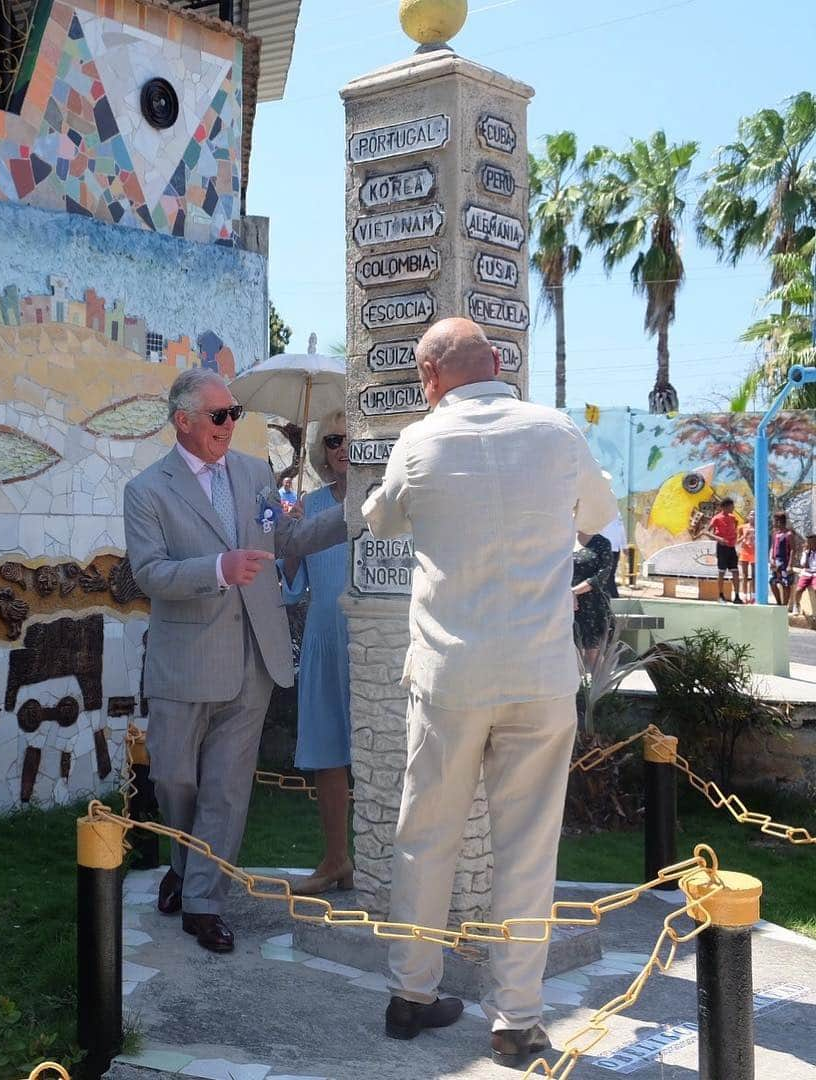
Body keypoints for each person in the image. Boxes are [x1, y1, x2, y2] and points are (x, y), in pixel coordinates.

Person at [362, 318, 615, 1065]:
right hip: (538, 673)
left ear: (434, 377)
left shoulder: (419, 440)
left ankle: (410, 993)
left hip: (450, 675)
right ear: (498, 363)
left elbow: (380, 521)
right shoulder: (557, 430)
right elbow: (596, 518)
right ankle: (516, 1018)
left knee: (425, 837)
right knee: (529, 850)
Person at [123, 368, 345, 955]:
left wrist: (356, 514)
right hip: (185, 664)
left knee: (226, 791)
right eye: (219, 416)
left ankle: (202, 902)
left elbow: (288, 539)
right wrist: (218, 570)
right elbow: (148, 573)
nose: (228, 426)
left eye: (233, 416)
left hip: (254, 659)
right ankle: (185, 864)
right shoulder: (146, 490)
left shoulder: (253, 477)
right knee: (175, 781)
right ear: (184, 421)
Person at [279, 411, 352, 895]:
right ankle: (335, 860)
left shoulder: (390, 503)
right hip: (326, 639)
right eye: (332, 440)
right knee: (329, 755)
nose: (343, 447)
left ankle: (385, 862)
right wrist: (291, 538)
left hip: (377, 642)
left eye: (351, 438)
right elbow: (291, 589)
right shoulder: (311, 505)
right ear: (322, 451)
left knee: (385, 755)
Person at [572, 531, 616, 669]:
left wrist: (573, 592)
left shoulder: (602, 543)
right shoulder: (564, 540)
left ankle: (598, 690)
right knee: (572, 656)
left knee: (593, 657)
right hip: (567, 605)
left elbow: (602, 575)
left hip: (593, 606)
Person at [707, 497, 742, 604]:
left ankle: (736, 596)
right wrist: (719, 539)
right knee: (721, 572)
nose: (733, 508)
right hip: (722, 548)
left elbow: (735, 527)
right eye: (732, 506)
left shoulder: (733, 517)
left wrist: (734, 537)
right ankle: (721, 596)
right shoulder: (717, 518)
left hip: (731, 548)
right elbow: (707, 532)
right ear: (725, 507)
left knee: (735, 572)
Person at [770, 512, 796, 609]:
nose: (774, 523)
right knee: (772, 582)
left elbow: (793, 549)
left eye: (775, 521)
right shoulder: (775, 533)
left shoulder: (788, 534)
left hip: (784, 562)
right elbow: (772, 547)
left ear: (780, 521)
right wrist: (771, 559)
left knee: (785, 583)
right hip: (775, 562)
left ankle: (784, 605)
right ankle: (778, 603)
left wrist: (790, 564)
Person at [598, 514, 626, 599]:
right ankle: (611, 597)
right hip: (602, 547)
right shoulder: (600, 510)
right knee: (605, 575)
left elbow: (621, 529)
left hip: (614, 548)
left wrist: (624, 546)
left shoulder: (617, 513)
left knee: (610, 575)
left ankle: (613, 598)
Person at [795, 533, 816, 616]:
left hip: (815, 574)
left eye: (812, 542)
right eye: (808, 542)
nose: (810, 544)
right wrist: (807, 554)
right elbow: (804, 565)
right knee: (798, 590)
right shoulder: (806, 553)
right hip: (806, 573)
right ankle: (797, 605)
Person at [738, 512, 756, 604]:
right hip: (745, 552)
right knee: (744, 575)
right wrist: (744, 537)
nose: (753, 517)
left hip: (754, 553)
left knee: (754, 575)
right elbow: (737, 541)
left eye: (754, 515)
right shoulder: (742, 527)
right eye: (751, 515)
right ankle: (744, 596)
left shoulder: (759, 527)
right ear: (748, 517)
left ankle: (753, 596)